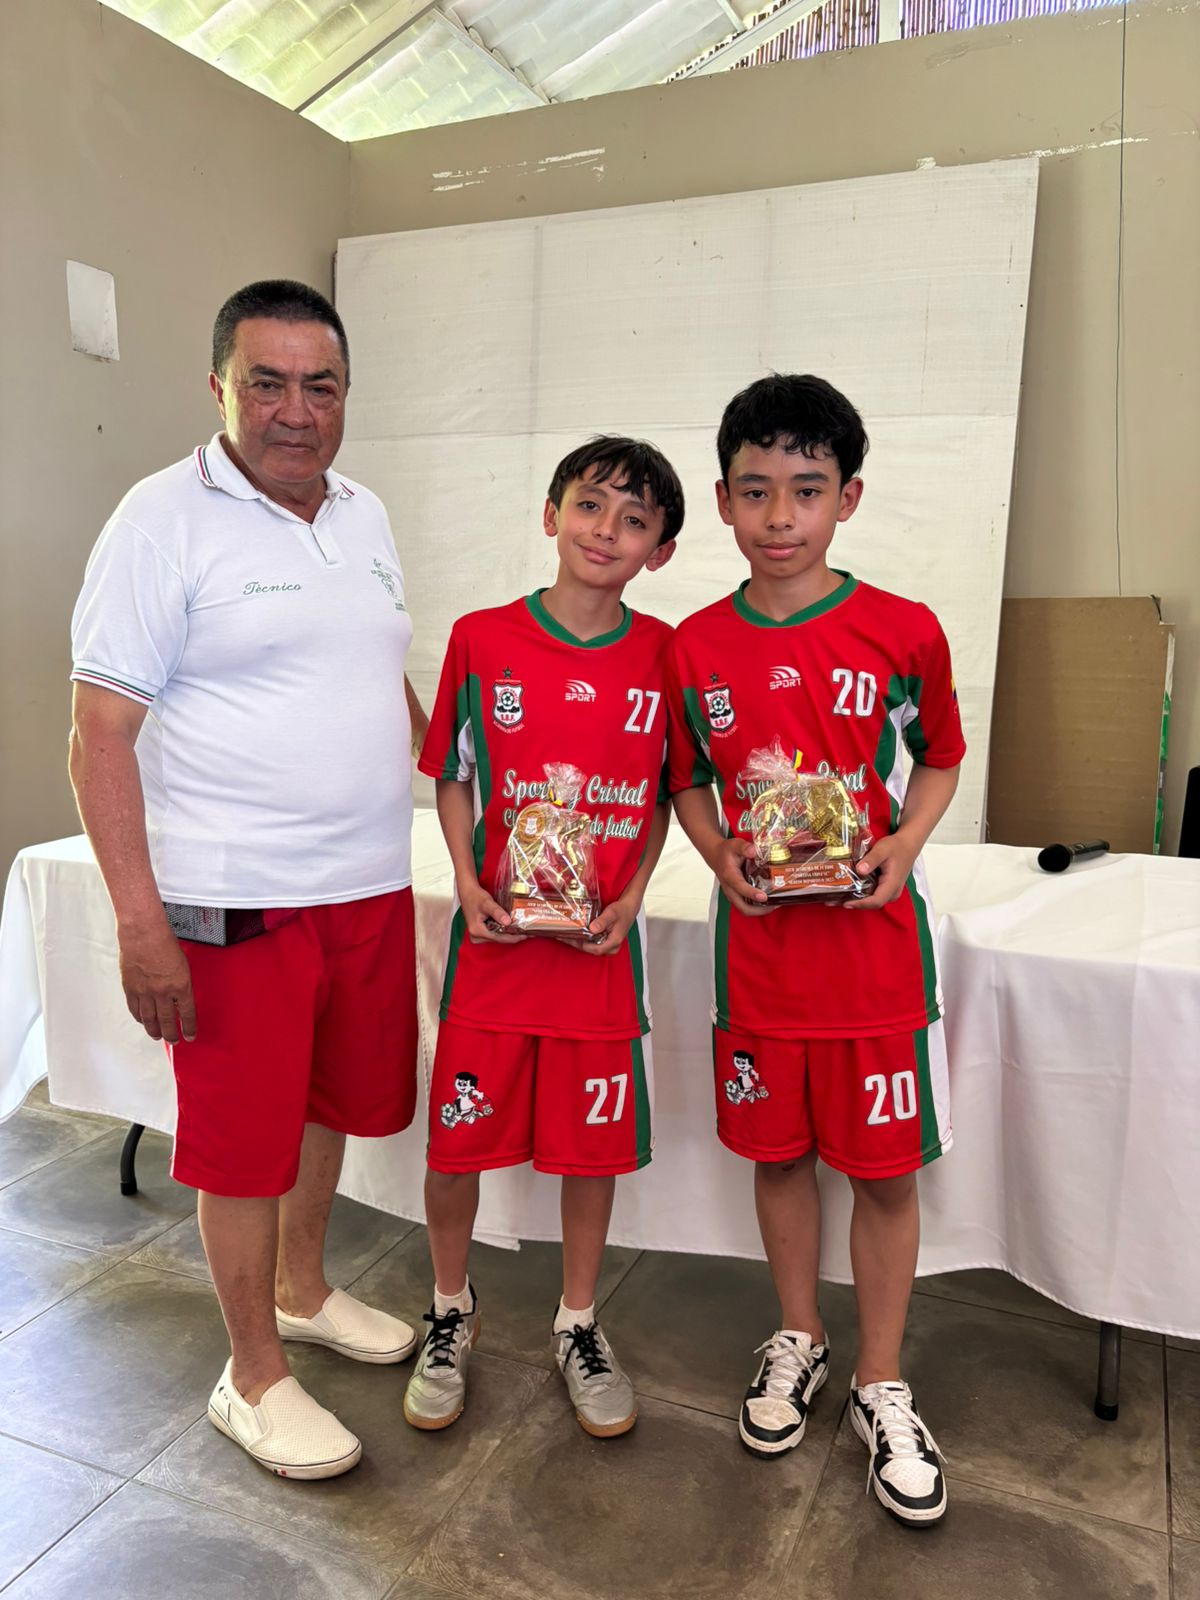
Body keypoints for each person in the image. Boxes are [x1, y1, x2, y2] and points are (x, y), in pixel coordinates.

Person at [68, 279, 426, 1481]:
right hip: (236, 898)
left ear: (347, 394)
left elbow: (375, 668)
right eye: (266, 383)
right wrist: (141, 924)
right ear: (218, 386)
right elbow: (99, 735)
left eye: (320, 385)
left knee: (331, 1101)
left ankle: (303, 1287)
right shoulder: (160, 520)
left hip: (366, 884)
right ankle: (252, 1371)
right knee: (242, 1141)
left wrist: (464, 765)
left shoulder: (365, 514)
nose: (295, 410)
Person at [665, 374, 965, 1525]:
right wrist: (715, 853)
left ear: (849, 497)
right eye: (755, 490)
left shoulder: (904, 628)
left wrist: (904, 842)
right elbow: (687, 779)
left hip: (875, 958)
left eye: (806, 488)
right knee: (779, 1155)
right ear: (723, 502)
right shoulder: (694, 646)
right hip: (761, 962)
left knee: (885, 1173)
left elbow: (940, 755)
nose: (780, 514)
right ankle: (800, 1335)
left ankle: (882, 1380)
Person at [405, 436, 683, 1438]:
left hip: (596, 956)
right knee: (456, 1141)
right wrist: (465, 874)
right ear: (552, 514)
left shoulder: (668, 655)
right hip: (496, 950)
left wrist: (633, 895)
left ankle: (577, 1320)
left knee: (588, 1154)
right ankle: (450, 1307)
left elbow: (665, 794)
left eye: (635, 519)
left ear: (659, 550)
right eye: (591, 505)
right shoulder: (483, 639)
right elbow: (451, 772)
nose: (607, 530)